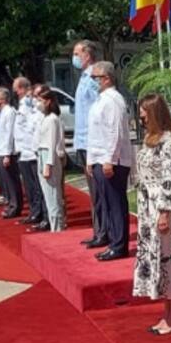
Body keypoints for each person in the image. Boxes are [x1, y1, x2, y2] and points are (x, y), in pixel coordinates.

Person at [133, 93, 171, 333]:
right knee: (155, 259)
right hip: (146, 206)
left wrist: (164, 212)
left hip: (161, 207)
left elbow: (169, 178)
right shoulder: (149, 139)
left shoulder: (169, 142)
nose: (141, 116)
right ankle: (167, 311)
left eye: (145, 111)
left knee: (167, 259)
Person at [84, 62, 132, 260]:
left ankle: (119, 245)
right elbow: (95, 133)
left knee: (115, 203)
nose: (92, 81)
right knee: (106, 202)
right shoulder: (100, 100)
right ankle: (111, 240)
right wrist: (90, 159)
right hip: (99, 157)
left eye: (95, 78)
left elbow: (115, 133)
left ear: (107, 79)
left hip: (112, 160)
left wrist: (109, 160)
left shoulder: (112, 100)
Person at [71, 40, 100, 230]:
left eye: (76, 53)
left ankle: (102, 230)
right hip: (82, 140)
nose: (74, 58)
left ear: (87, 55)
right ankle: (98, 229)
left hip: (92, 141)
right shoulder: (83, 78)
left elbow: (98, 109)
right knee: (92, 190)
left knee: (98, 191)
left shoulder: (94, 78)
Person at [13, 77, 46, 228]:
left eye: (16, 88)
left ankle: (40, 214)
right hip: (24, 150)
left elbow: (32, 128)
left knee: (36, 186)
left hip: (32, 151)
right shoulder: (22, 104)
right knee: (29, 186)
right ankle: (34, 211)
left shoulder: (33, 106)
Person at [35, 89, 66, 232]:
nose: (38, 103)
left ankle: (58, 228)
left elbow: (52, 143)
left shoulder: (53, 119)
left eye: (40, 100)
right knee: (48, 196)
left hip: (49, 156)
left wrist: (48, 164)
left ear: (48, 102)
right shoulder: (45, 118)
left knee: (54, 197)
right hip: (42, 154)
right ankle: (55, 227)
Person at [0, 86, 23, 219]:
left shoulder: (10, 112)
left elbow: (10, 133)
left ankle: (15, 206)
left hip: (7, 151)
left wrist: (7, 154)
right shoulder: (2, 111)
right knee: (6, 180)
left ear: (3, 99)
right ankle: (11, 203)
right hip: (0, 150)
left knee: (12, 180)